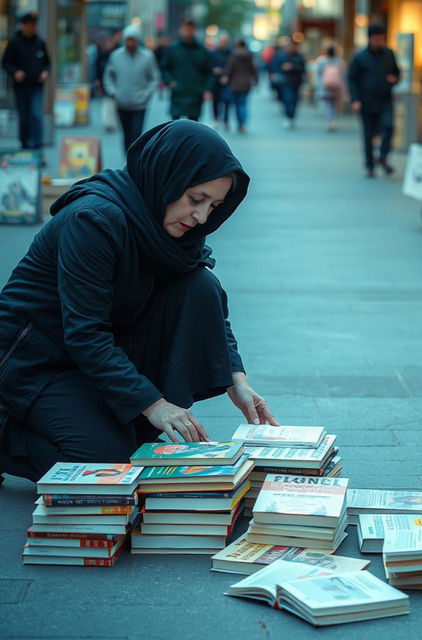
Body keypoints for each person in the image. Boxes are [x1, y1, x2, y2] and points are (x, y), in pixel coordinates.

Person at [0, 120, 278, 484]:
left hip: (100, 351)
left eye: (214, 205)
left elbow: (206, 302)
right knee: (106, 464)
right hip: (36, 360)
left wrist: (236, 379)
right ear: (167, 176)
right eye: (196, 199)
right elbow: (85, 333)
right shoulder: (94, 219)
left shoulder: (169, 229)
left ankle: (122, 421)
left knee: (200, 284)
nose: (202, 217)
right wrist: (155, 405)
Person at [348, 24, 400, 178]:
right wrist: (355, 99)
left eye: (383, 39)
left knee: (389, 127)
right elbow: (352, 79)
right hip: (366, 102)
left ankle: (383, 157)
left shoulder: (389, 54)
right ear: (370, 38)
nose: (380, 42)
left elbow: (396, 72)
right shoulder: (360, 57)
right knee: (369, 135)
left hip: (385, 100)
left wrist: (394, 79)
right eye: (377, 39)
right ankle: (370, 164)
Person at [103, 25, 159, 153]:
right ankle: (127, 162)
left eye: (133, 39)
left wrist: (147, 94)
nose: (130, 42)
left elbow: (154, 78)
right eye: (128, 39)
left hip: (140, 104)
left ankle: (135, 162)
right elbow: (108, 75)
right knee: (126, 135)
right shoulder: (115, 56)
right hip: (122, 102)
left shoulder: (147, 57)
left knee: (137, 135)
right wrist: (112, 92)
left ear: (138, 40)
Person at [1, 11, 50, 150]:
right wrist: (15, 72)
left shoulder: (40, 42)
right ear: (23, 25)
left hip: (37, 86)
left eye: (34, 25)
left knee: (36, 115)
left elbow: (47, 62)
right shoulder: (14, 42)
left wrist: (46, 72)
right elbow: (5, 63)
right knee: (24, 118)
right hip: (21, 87)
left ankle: (37, 148)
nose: (32, 28)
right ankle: (25, 146)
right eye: (29, 25)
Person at [161, 19, 213, 121]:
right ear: (181, 30)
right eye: (186, 29)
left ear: (195, 31)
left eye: (191, 29)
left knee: (193, 126)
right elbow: (164, 67)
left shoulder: (202, 50)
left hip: (195, 94)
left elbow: (209, 72)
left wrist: (207, 89)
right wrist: (170, 81)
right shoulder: (173, 49)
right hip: (178, 93)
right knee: (175, 125)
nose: (188, 32)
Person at [224, 39, 258, 134]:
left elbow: (229, 69)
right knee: (243, 104)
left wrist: (225, 77)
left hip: (234, 83)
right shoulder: (249, 56)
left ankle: (239, 123)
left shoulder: (233, 56)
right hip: (246, 83)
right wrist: (256, 81)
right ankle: (242, 124)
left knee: (236, 105)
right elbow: (254, 69)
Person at [274, 40, 306, 129]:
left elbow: (303, 69)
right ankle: (288, 116)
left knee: (295, 100)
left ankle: (292, 116)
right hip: (285, 82)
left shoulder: (299, 56)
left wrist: (292, 67)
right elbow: (276, 67)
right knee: (288, 99)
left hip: (296, 82)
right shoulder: (282, 56)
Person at [315, 45, 345, 132]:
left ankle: (329, 121)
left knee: (327, 104)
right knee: (334, 104)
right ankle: (333, 120)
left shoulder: (322, 61)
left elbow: (318, 74)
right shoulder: (339, 62)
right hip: (337, 86)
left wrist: (318, 85)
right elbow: (343, 75)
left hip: (325, 86)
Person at [211, 34, 233, 128]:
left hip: (228, 81)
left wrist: (226, 74)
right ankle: (216, 118)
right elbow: (209, 65)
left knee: (227, 100)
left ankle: (226, 120)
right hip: (215, 80)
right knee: (215, 101)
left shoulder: (231, 53)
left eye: (225, 42)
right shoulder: (213, 53)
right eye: (221, 42)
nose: (223, 44)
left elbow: (233, 67)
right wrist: (213, 69)